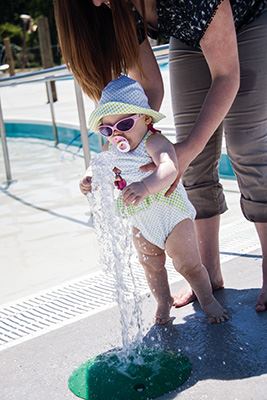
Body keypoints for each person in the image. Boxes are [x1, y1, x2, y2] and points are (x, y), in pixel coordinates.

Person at [54, 0, 267, 312]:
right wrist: (131, 139)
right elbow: (150, 90)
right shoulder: (121, 8)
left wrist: (184, 152)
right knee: (190, 160)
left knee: (246, 146)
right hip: (192, 34)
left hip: (249, 20)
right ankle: (205, 273)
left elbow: (227, 75)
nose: (96, 3)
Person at [80, 74, 228, 324]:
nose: (117, 135)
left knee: (188, 265)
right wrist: (89, 178)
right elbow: (99, 167)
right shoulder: (112, 151)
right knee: (150, 265)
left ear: (145, 118)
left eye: (124, 125)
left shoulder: (154, 141)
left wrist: (146, 186)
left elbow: (170, 168)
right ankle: (163, 302)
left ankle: (207, 299)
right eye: (108, 129)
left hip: (172, 215)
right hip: (141, 220)